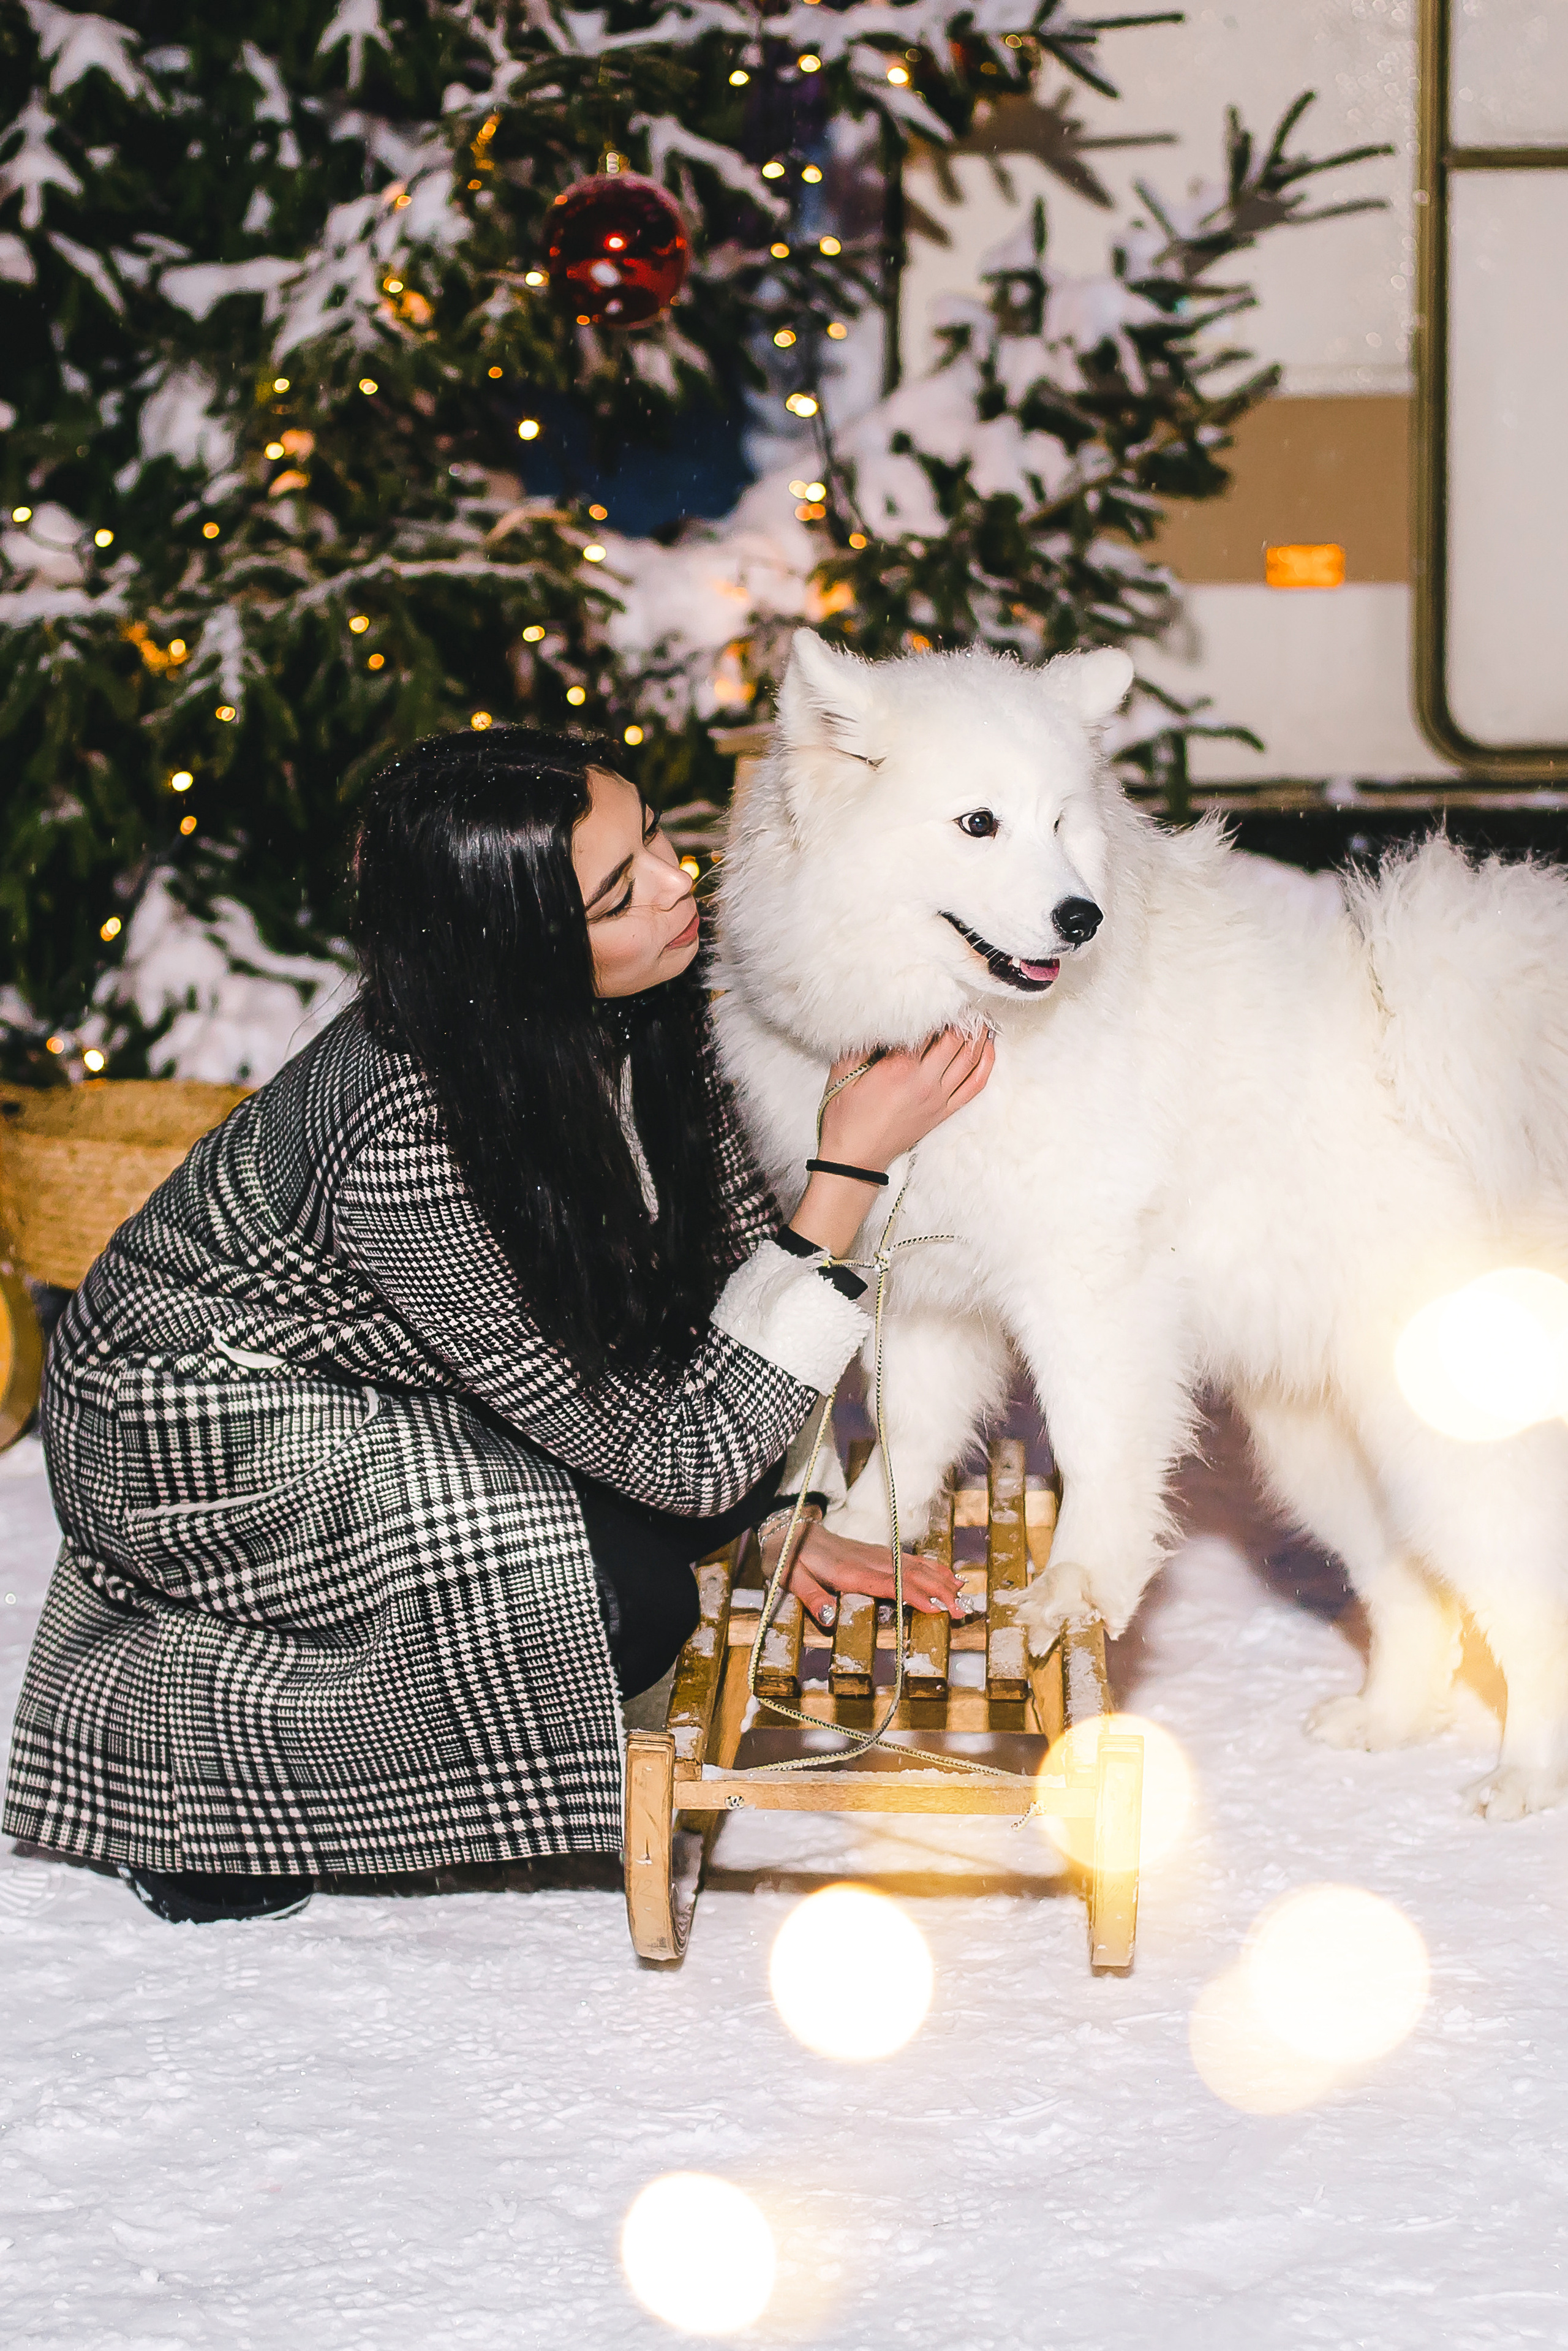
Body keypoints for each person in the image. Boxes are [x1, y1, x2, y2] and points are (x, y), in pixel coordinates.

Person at [2, 728, 993, 1923]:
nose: (681, 884)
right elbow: (682, 1453)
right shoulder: (409, 1135)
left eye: (654, 840)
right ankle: (200, 1772)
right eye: (619, 892)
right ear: (514, 951)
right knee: (614, 1602)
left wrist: (777, 1508)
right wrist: (844, 1177)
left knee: (654, 1541)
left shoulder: (638, 989)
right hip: (199, 1424)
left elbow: (717, 1259)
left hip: (386, 1371)